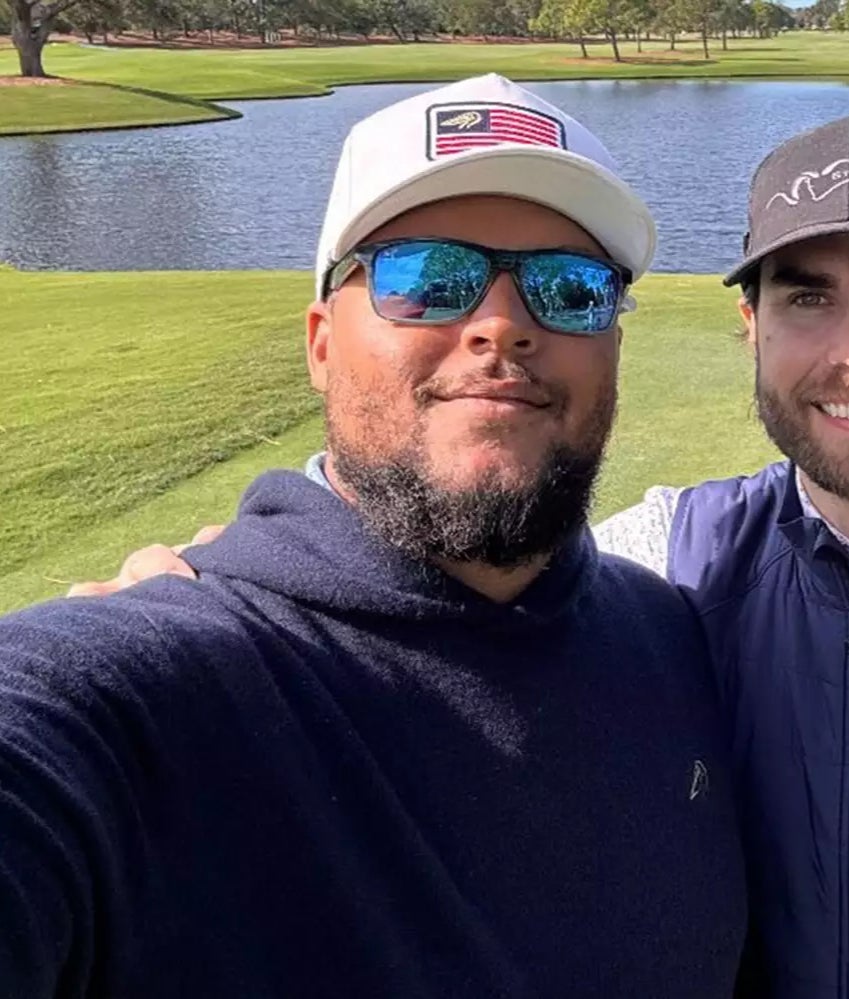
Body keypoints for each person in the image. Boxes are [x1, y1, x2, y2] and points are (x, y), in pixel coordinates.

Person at [73, 118, 849, 997]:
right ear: (748, 325)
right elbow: (431, 596)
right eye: (804, 296)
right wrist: (218, 586)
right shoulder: (659, 566)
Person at [0, 74, 747, 997]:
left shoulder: (675, 639)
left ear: (614, 347)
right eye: (426, 278)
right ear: (320, 343)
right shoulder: (151, 687)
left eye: (571, 287)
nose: (504, 326)